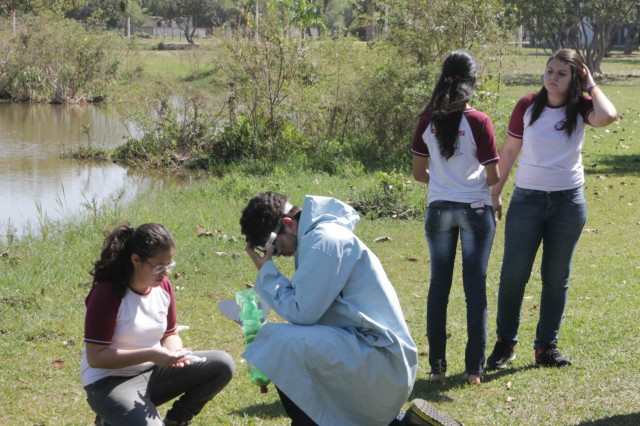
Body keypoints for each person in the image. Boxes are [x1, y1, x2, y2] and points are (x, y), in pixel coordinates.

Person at [239, 192, 461, 426]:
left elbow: (302, 313)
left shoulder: (325, 241)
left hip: (381, 360)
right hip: (366, 350)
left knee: (281, 344)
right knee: (286, 345)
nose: (274, 254)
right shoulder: (315, 239)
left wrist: (267, 273)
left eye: (271, 245)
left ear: (287, 224)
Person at [486, 49, 618, 370]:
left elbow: (609, 115)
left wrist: (591, 84)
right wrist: (495, 193)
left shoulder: (581, 108)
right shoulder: (527, 106)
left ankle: (546, 347)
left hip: (568, 204)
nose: (552, 77)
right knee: (514, 274)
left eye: (561, 73)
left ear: (574, 78)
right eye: (549, 70)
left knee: (556, 278)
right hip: (527, 200)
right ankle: (505, 343)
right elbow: (510, 150)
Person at [81, 223, 235, 426]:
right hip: (108, 382)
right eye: (159, 267)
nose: (165, 274)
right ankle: (109, 417)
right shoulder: (107, 294)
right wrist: (151, 354)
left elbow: (170, 333)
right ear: (136, 260)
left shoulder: (163, 287)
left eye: (169, 265)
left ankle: (176, 420)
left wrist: (175, 352)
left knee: (222, 364)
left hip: (153, 373)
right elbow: (96, 357)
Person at [411, 50, 500, 385]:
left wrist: (445, 182)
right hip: (475, 210)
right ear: (472, 81)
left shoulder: (426, 121)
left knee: (439, 288)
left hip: (438, 210)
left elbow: (420, 173)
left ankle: (436, 369)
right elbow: (492, 177)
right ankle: (474, 370)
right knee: (475, 287)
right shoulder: (479, 121)